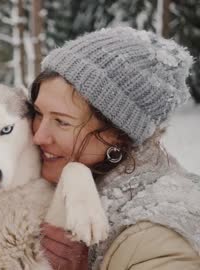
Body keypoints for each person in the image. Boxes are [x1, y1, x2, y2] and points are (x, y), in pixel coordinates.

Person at [30, 27, 200, 270]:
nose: (39, 136)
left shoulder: (159, 237)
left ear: (118, 136)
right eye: (38, 113)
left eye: (62, 122)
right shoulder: (59, 180)